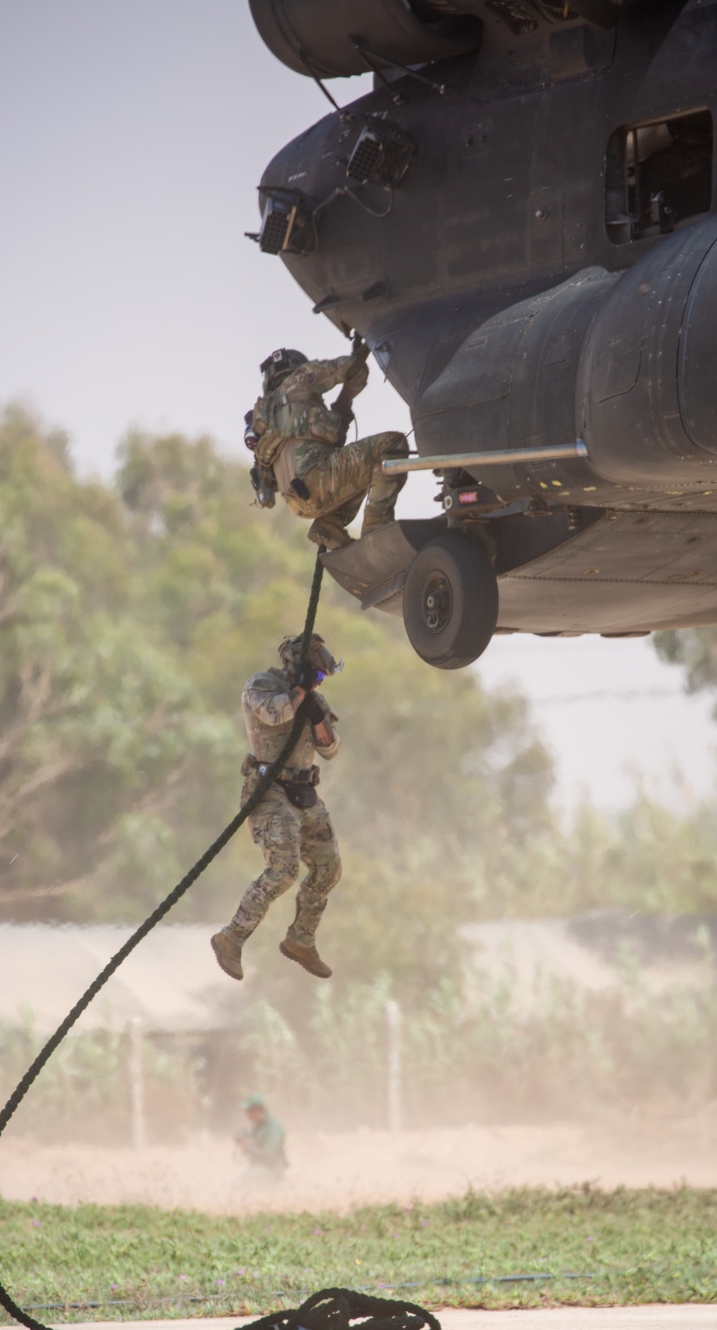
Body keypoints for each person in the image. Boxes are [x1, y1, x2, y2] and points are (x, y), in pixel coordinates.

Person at [211, 633, 342, 982]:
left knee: (329, 869)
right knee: (284, 870)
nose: (318, 684)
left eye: (320, 680)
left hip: (304, 792)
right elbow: (273, 714)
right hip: (270, 791)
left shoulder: (314, 698)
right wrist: (300, 693)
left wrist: (316, 715)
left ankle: (301, 939)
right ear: (295, 669)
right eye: (314, 675)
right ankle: (232, 937)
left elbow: (330, 748)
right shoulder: (261, 686)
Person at [247, 344, 409, 550]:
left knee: (364, 466)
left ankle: (329, 525)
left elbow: (271, 482)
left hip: (297, 502)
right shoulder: (301, 378)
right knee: (392, 444)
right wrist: (344, 402)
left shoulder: (263, 424)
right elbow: (354, 369)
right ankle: (377, 525)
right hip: (320, 481)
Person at [234, 1093, 287, 1177]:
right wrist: (244, 1145)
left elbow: (269, 1155)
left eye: (248, 1111)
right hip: (259, 1169)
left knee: (238, 1184)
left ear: (256, 1110)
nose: (246, 1115)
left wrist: (248, 1146)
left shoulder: (274, 1127)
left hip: (272, 1172)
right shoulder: (258, 1127)